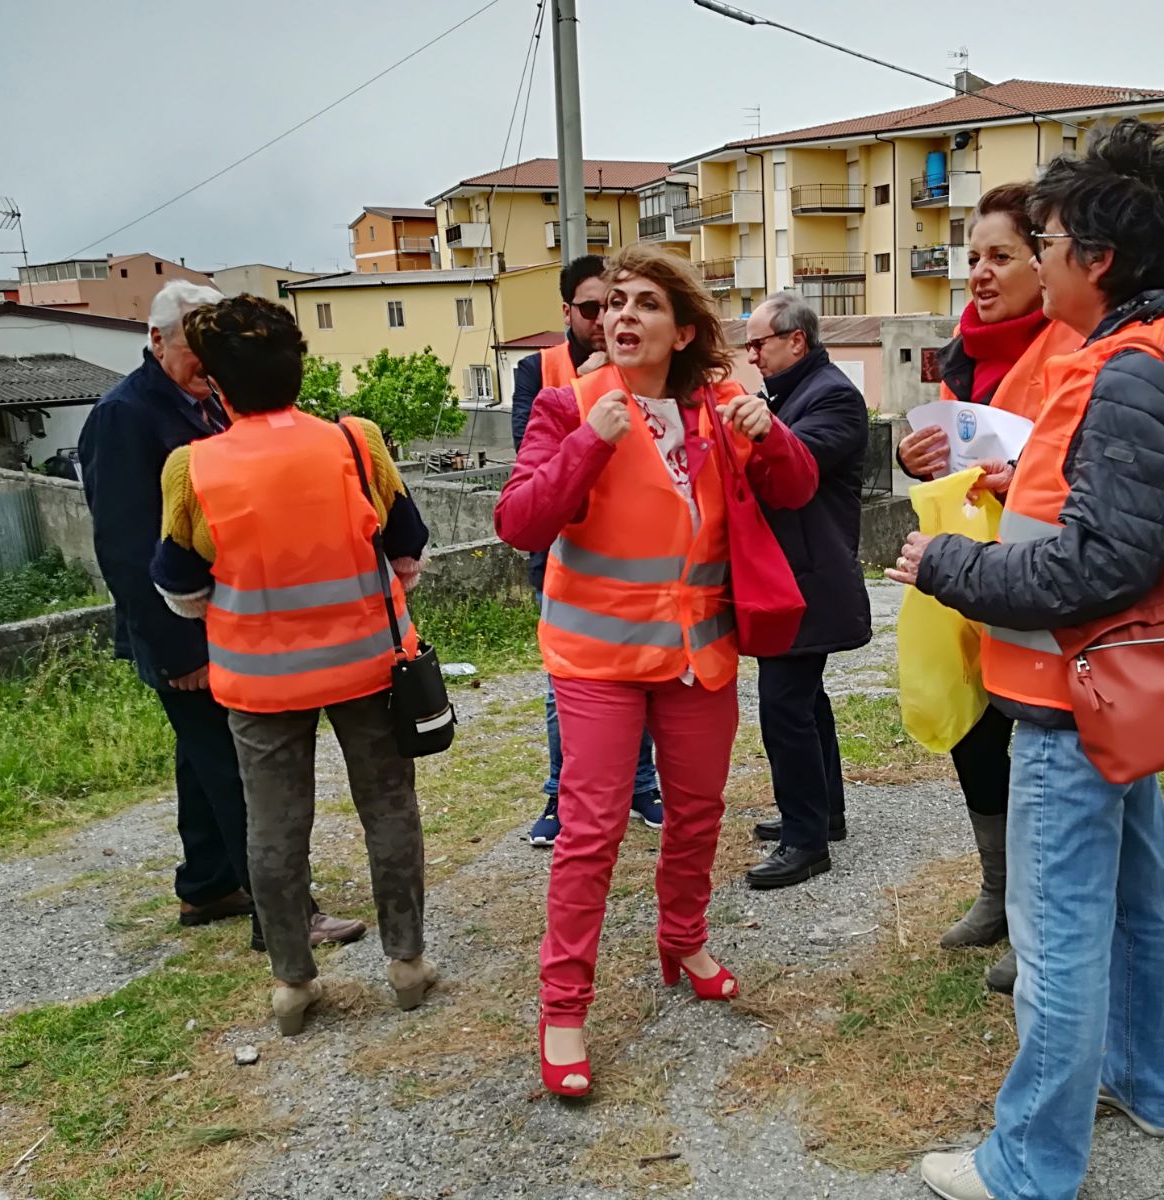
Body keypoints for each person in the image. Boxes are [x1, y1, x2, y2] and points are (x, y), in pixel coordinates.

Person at [894, 121, 1164, 1200]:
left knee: (1057, 940)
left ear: (1097, 261)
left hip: (1070, 695)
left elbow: (1102, 563)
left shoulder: (1131, 370)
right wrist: (1016, 499)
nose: (1037, 258)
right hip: (1114, 690)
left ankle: (1028, 1163)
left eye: (1045, 241)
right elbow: (1114, 518)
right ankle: (1145, 1081)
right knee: (1138, 903)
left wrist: (948, 565)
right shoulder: (1158, 353)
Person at [493, 246, 818, 1097]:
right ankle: (563, 1011)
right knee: (589, 835)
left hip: (695, 656)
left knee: (700, 812)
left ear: (682, 330)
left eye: (644, 304)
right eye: (612, 305)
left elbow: (796, 488)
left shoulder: (717, 411)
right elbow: (520, 523)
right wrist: (587, 449)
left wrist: (771, 433)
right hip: (597, 661)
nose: (622, 317)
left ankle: (683, 939)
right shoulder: (570, 407)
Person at [149, 295, 437, 1037]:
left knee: (274, 829)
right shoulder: (355, 443)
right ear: (299, 364)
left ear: (214, 380)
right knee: (389, 811)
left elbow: (180, 591)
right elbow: (407, 551)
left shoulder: (192, 468)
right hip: (370, 670)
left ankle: (292, 984)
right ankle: (407, 965)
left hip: (260, 682)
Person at [77, 281, 363, 955]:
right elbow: (124, 547)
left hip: (220, 629)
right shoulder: (126, 415)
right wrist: (179, 654)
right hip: (184, 635)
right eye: (192, 347)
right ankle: (285, 916)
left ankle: (206, 885)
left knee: (202, 763)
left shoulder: (205, 403)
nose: (207, 364)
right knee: (236, 771)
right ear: (155, 341)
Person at [895, 183, 1082, 996]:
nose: (979, 271)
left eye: (1000, 255)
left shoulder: (1074, 345)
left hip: (1037, 569)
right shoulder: (965, 350)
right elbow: (952, 452)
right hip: (968, 563)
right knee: (974, 729)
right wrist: (918, 461)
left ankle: (1035, 916)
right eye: (972, 256)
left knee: (1029, 736)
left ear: (1044, 265)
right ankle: (998, 892)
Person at [512, 253, 663, 847]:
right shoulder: (541, 370)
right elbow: (531, 453)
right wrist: (589, 386)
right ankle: (559, 793)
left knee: (645, 669)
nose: (607, 319)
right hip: (563, 546)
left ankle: (643, 785)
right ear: (568, 311)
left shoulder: (650, 363)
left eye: (619, 305)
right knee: (566, 683)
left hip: (637, 552)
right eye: (593, 308)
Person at [740, 292, 871, 889]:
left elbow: (793, 467)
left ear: (797, 341)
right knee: (806, 703)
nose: (751, 355)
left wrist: (755, 430)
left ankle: (805, 840)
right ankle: (825, 815)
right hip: (794, 572)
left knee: (785, 706)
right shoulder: (794, 394)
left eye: (758, 344)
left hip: (810, 577)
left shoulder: (834, 397)